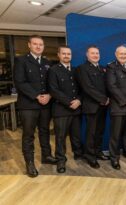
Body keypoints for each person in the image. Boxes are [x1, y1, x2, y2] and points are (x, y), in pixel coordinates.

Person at [14, 35, 57, 177]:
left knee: (44, 131)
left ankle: (46, 156)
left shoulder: (47, 62)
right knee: (28, 135)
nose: (38, 46)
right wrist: (37, 96)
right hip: (28, 105)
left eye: (41, 44)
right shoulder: (21, 60)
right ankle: (30, 163)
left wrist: (50, 95)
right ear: (29, 45)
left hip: (46, 104)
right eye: (35, 44)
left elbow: (52, 82)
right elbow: (20, 83)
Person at [48, 46, 83, 173]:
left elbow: (81, 89)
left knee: (76, 135)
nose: (66, 56)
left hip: (76, 108)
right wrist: (69, 102)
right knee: (60, 137)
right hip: (61, 109)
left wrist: (79, 100)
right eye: (64, 54)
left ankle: (78, 154)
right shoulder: (53, 70)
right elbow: (53, 90)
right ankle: (61, 160)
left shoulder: (75, 70)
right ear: (59, 55)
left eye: (69, 54)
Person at [78, 45, 110, 169]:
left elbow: (107, 87)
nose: (95, 55)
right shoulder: (82, 68)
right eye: (93, 53)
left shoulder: (102, 69)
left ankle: (98, 152)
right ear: (87, 55)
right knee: (91, 132)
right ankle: (90, 156)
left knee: (100, 131)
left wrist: (108, 99)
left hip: (104, 106)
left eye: (97, 53)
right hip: (92, 106)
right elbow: (87, 87)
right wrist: (103, 99)